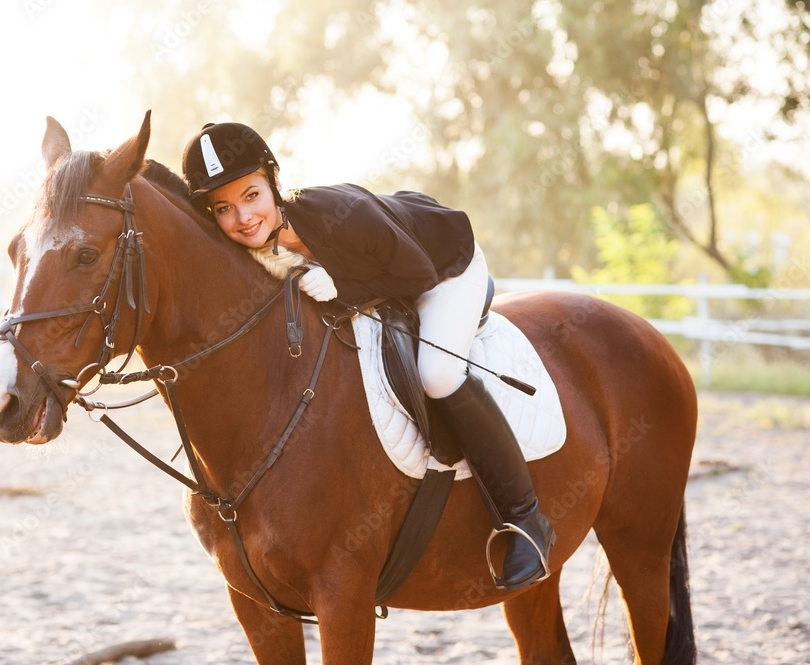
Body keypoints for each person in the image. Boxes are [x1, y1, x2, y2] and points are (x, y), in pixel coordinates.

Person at [181, 121, 555, 591]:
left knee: (437, 374)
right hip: (384, 279)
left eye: (251, 195)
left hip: (441, 265)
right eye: (224, 208)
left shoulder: (341, 211)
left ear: (275, 182)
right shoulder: (251, 248)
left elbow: (416, 276)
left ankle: (526, 519)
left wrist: (343, 289)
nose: (243, 217)